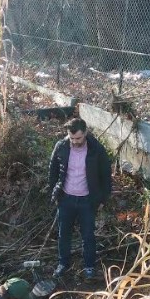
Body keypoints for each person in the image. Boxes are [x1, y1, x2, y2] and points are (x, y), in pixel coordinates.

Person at [48, 117, 112, 279]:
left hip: (87, 201)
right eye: (72, 138)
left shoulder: (96, 149)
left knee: (88, 236)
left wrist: (102, 199)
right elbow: (53, 171)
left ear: (85, 133)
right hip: (66, 199)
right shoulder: (61, 146)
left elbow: (106, 175)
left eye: (78, 138)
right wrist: (55, 193)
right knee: (64, 235)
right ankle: (63, 264)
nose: (75, 141)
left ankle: (89, 267)